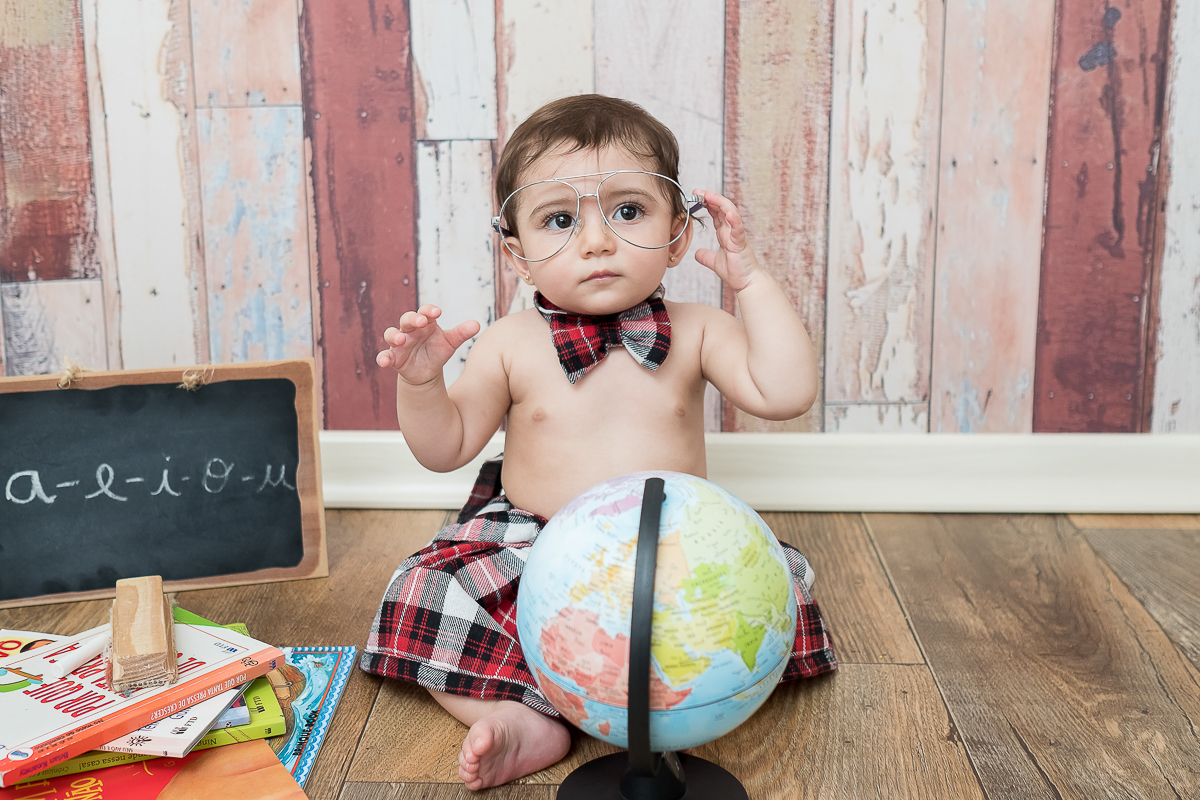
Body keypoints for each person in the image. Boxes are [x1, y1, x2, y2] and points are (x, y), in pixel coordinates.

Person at [361, 94, 836, 790]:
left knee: (779, 581)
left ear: (677, 236)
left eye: (627, 211)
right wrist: (422, 384)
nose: (596, 241)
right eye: (560, 219)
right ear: (516, 253)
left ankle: (672, 704)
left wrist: (751, 281)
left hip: (672, 553)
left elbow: (785, 391)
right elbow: (446, 446)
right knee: (421, 590)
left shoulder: (698, 327)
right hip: (535, 546)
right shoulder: (508, 343)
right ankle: (526, 717)